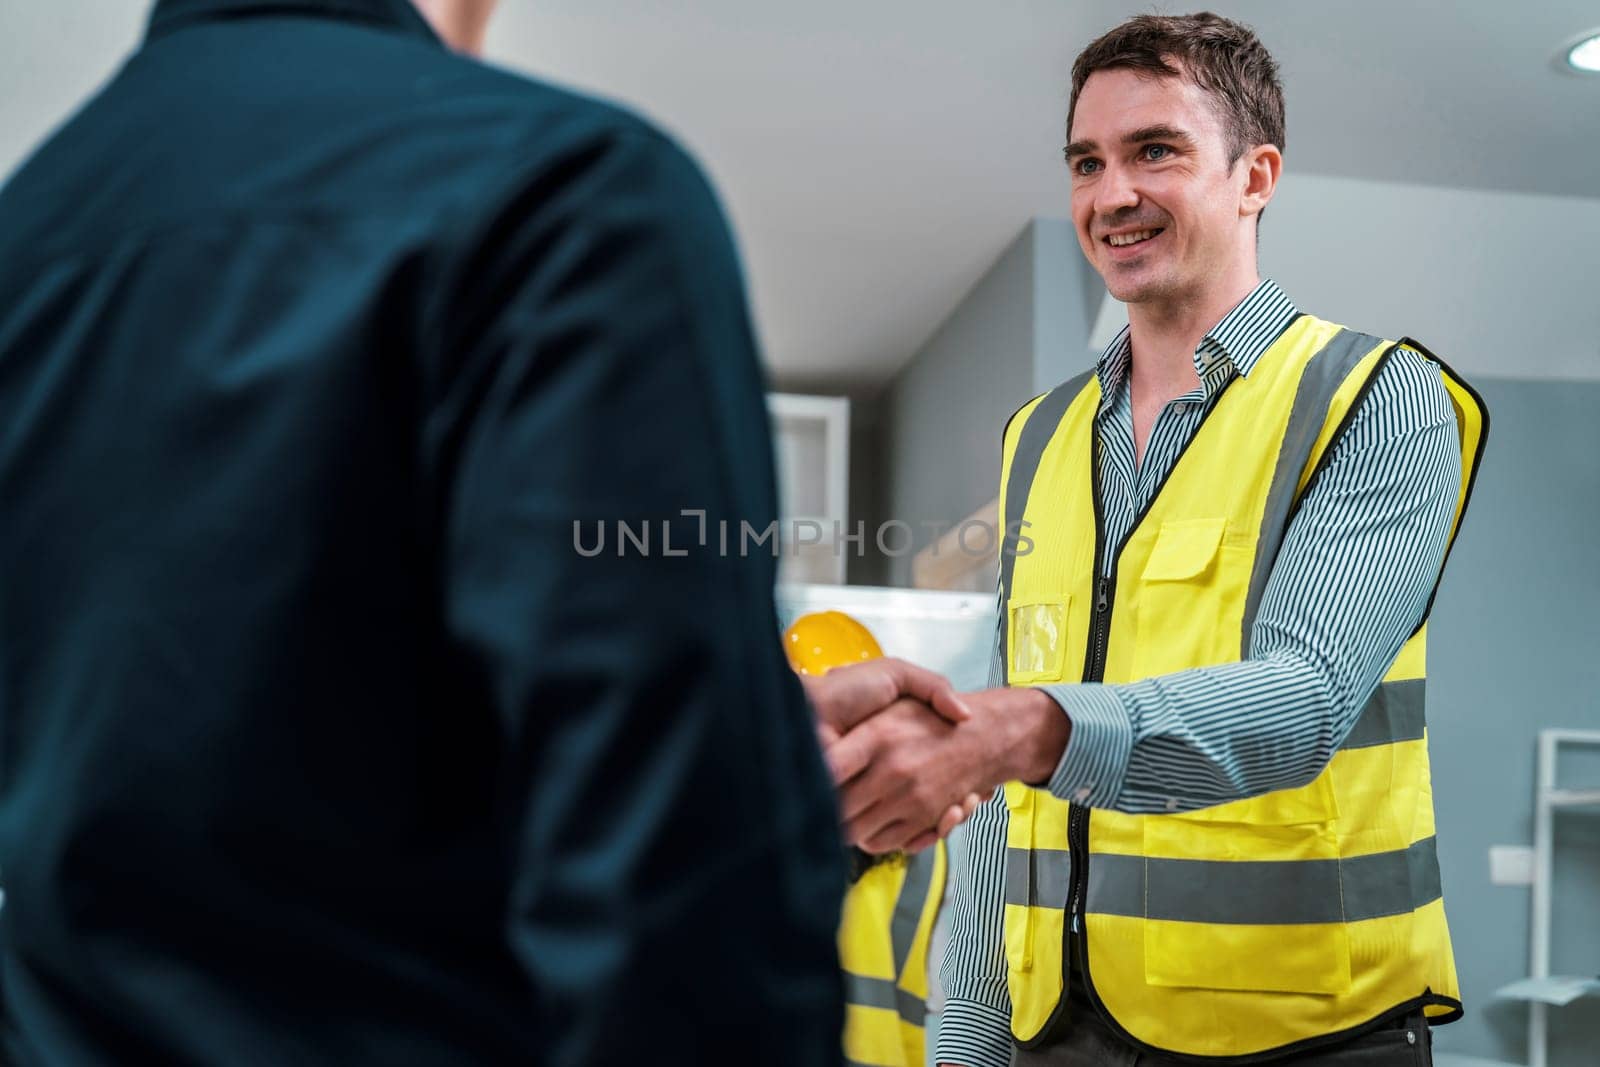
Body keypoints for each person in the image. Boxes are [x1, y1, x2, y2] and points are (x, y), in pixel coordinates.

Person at [0, 1, 969, 1062]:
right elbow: (675, 896)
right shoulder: (565, 196)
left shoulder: (31, 232)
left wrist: (764, 739)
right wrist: (733, 768)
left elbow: (221, 742)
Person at [820, 13, 1488, 1066]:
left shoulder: (1373, 397)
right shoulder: (1036, 438)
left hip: (1299, 1033)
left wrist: (1016, 727)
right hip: (1056, 1034)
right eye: (1086, 162)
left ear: (1254, 175)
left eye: (1154, 151)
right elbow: (996, 797)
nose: (1110, 194)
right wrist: (966, 1037)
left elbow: (1304, 695)